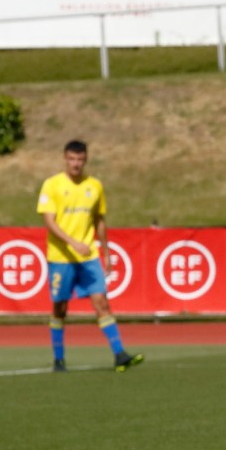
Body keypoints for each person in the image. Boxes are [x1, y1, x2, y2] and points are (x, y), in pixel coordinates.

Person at [37, 139, 142, 373]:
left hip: (89, 257)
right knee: (59, 308)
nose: (76, 164)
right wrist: (73, 242)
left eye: (80, 160)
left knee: (102, 303)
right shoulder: (52, 185)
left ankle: (119, 354)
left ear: (86, 160)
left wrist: (106, 252)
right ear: (65, 158)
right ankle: (59, 358)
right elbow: (49, 221)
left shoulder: (94, 186)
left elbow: (99, 220)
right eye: (72, 159)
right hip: (61, 257)